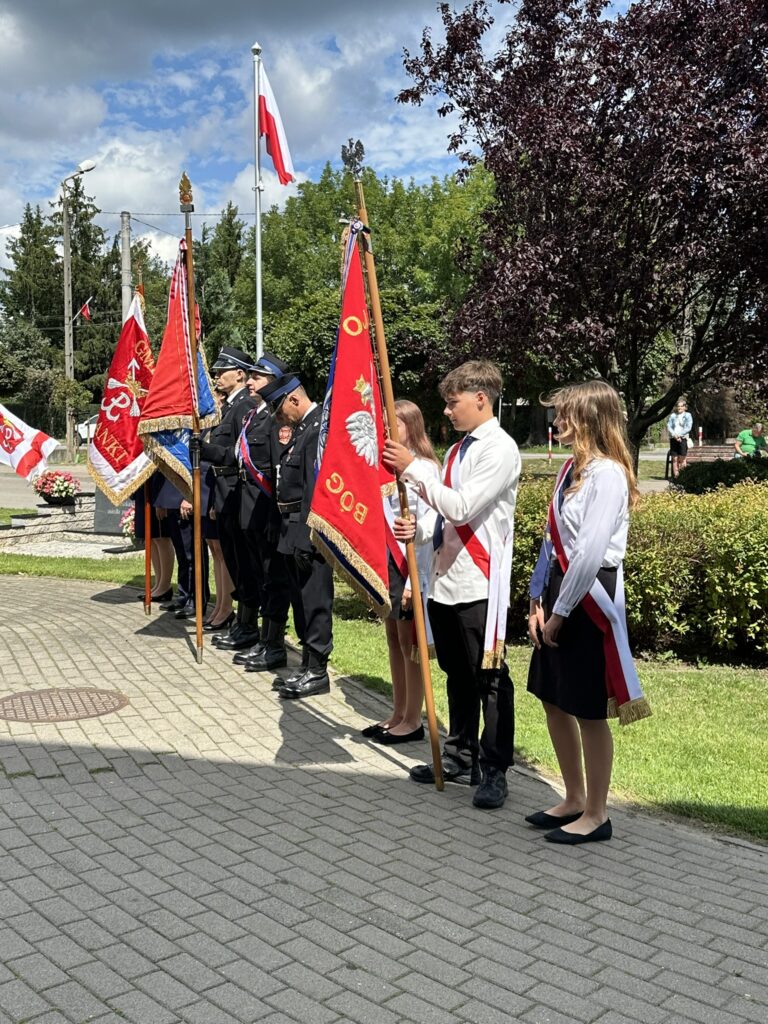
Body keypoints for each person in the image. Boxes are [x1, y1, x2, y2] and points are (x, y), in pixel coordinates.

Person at [383, 360, 520, 810]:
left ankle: (496, 767)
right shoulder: (461, 449)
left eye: (452, 402)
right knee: (456, 674)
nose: (446, 411)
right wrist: (418, 533)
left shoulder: (498, 448)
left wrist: (414, 469)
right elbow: (445, 518)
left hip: (481, 582)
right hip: (447, 579)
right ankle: (462, 752)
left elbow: (462, 507)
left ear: (481, 398)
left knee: (490, 677)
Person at [526, 379, 651, 846]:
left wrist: (560, 612)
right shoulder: (570, 471)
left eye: (564, 414)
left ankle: (598, 814)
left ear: (589, 418)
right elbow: (549, 540)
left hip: (588, 596)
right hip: (559, 591)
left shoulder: (608, 475)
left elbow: (590, 551)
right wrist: (537, 600)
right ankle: (573, 797)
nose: (556, 422)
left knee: (587, 709)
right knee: (553, 697)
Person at [362, 400, 439, 745]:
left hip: (411, 567)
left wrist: (412, 581)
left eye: (395, 425)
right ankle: (397, 711)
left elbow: (426, 529)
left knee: (411, 644)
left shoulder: (423, 468)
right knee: (393, 639)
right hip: (387, 563)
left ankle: (413, 719)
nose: (388, 431)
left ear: (411, 426)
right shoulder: (383, 467)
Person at [258, 371, 334, 700]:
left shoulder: (318, 429)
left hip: (307, 532)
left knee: (315, 602)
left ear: (293, 398)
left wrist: (306, 536)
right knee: (301, 602)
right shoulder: (304, 428)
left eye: (279, 409)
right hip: (291, 530)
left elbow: (313, 489)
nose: (278, 418)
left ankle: (318, 671)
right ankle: (307, 665)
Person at [229, 351, 294, 673]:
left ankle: (274, 644)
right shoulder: (255, 415)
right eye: (250, 376)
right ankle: (262, 639)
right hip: (250, 510)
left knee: (274, 580)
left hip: (268, 512)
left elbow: (278, 473)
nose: (251, 381)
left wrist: (273, 517)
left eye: (258, 377)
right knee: (258, 576)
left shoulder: (278, 420)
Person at [201, 346, 259, 651]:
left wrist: (206, 449)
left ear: (240, 373)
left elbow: (238, 456)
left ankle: (247, 625)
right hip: (222, 494)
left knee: (243, 565)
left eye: (222, 371)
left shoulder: (244, 406)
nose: (216, 377)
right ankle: (243, 623)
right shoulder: (229, 407)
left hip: (236, 495)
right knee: (236, 563)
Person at [666, 399, 692, 478]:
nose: (679, 408)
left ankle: (683, 477)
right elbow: (669, 426)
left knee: (682, 458)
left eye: (681, 406)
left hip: (683, 439)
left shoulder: (688, 415)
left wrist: (679, 435)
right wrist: (674, 435)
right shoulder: (673, 416)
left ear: (685, 407)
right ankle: (676, 477)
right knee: (675, 458)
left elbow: (688, 427)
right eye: (678, 406)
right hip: (673, 438)